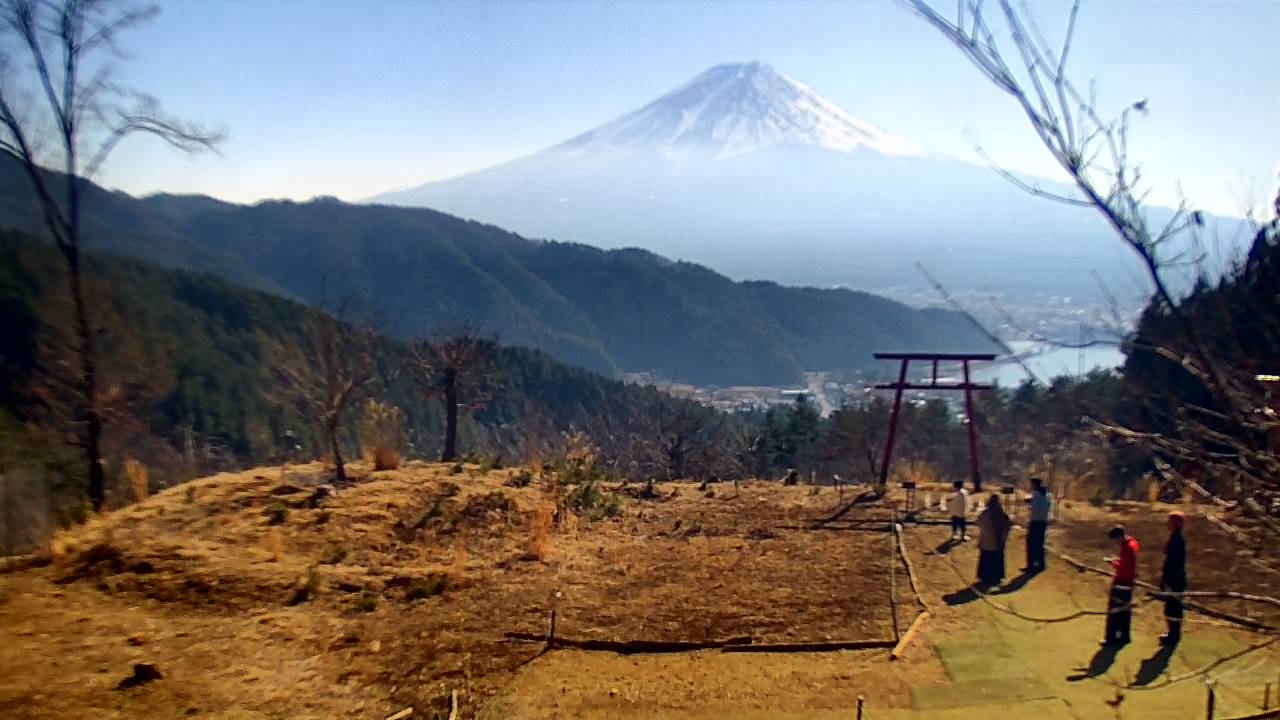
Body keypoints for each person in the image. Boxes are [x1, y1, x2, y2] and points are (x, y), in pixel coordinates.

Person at [1103, 525, 1140, 646]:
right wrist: (1118, 561)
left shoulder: (1127, 548)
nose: (1116, 543)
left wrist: (1113, 563)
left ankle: (1111, 638)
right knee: (1125, 610)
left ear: (1119, 536)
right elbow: (1126, 563)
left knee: (1114, 610)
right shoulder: (1132, 543)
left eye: (1115, 539)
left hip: (1121, 583)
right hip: (1129, 583)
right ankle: (1124, 636)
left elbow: (1124, 568)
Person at [1160, 512, 1187, 645]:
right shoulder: (1174, 539)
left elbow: (1174, 563)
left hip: (1175, 579)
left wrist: (1168, 579)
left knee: (1174, 607)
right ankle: (1172, 632)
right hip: (1171, 577)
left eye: (1170, 522)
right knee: (1170, 607)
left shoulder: (1178, 541)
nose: (1167, 524)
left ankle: (1174, 635)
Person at [976, 494, 1011, 587]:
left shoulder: (985, 513)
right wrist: (1004, 537)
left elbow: (978, 522)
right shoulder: (1002, 514)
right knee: (996, 559)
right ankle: (996, 577)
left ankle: (985, 576)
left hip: (986, 541)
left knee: (986, 558)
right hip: (998, 541)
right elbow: (1007, 526)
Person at [1024, 478, 1051, 571]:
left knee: (1031, 544)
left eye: (1031, 484)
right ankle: (1041, 564)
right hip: (1043, 522)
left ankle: (1031, 565)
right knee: (1039, 544)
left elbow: (1030, 503)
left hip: (1035, 522)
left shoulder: (1035, 495)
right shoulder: (1046, 496)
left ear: (1035, 485)